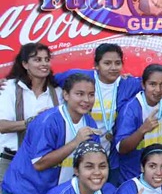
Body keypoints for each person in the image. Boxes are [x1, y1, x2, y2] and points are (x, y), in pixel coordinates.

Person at [0, 43, 62, 194]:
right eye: (37, 59)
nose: (44, 64)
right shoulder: (9, 88)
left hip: (46, 166)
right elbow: (1, 125)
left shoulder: (58, 92)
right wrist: (32, 122)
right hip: (11, 163)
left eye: (46, 59)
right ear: (25, 64)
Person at [54, 43, 141, 186]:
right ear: (96, 65)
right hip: (76, 150)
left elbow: (157, 80)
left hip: (109, 156)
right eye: (107, 63)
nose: (113, 67)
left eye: (117, 63)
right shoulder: (80, 77)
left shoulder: (128, 83)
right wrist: (10, 81)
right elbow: (48, 78)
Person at [115, 64, 162, 184]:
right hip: (132, 177)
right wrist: (142, 130)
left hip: (155, 177)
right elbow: (121, 147)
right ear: (143, 85)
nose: (158, 90)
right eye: (152, 84)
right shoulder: (131, 109)